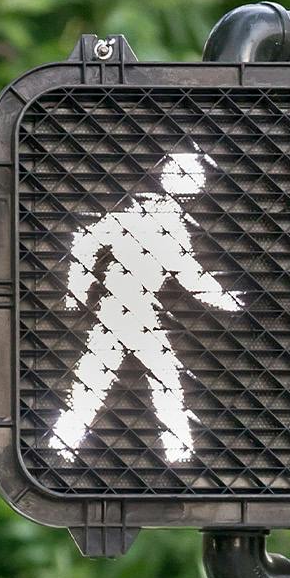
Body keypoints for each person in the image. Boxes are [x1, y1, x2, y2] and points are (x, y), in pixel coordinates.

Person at [49, 149, 241, 465]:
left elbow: (87, 241)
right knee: (156, 379)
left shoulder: (152, 218)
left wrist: (78, 290)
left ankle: (65, 441)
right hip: (127, 309)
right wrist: (76, 289)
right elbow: (190, 275)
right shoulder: (156, 220)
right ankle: (179, 453)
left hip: (130, 310)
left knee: (105, 379)